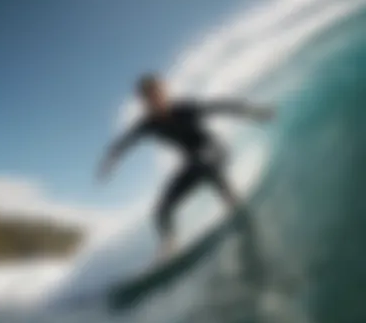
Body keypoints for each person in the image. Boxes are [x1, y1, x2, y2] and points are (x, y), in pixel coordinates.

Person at [96, 73, 274, 263]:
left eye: (158, 95)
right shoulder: (148, 125)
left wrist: (254, 112)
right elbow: (125, 142)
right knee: (161, 210)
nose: (155, 101)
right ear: (144, 102)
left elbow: (220, 107)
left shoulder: (184, 109)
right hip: (193, 163)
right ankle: (170, 245)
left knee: (203, 162)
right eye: (149, 99)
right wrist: (110, 161)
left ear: (164, 92)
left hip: (215, 151)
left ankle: (233, 203)